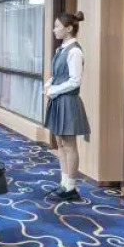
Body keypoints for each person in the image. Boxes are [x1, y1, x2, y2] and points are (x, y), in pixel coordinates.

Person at [44, 11, 91, 201]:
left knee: (70, 145)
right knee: (60, 143)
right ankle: (64, 183)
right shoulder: (61, 50)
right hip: (58, 100)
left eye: (57, 26)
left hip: (68, 101)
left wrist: (53, 90)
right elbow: (58, 75)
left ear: (69, 28)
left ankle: (71, 187)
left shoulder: (75, 51)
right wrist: (49, 84)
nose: (54, 30)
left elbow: (75, 81)